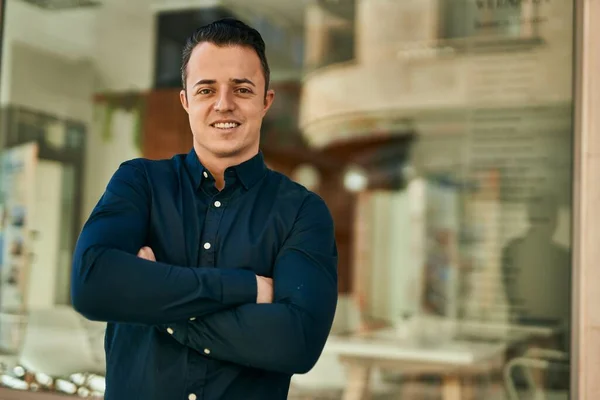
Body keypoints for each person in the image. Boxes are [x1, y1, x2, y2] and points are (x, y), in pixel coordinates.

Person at [71, 18, 338, 400]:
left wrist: (151, 299)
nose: (223, 104)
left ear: (266, 101)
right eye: (206, 89)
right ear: (186, 100)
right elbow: (92, 286)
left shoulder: (301, 212)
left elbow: (295, 342)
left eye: (242, 89)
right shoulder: (140, 184)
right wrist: (245, 287)